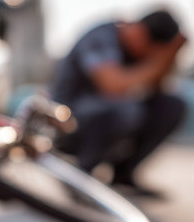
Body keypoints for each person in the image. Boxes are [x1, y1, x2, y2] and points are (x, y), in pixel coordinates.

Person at [51, 10, 187, 190]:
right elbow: (112, 86)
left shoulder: (139, 51)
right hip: (67, 120)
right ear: (139, 32)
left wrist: (169, 56)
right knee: (127, 108)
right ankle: (81, 174)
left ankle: (123, 175)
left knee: (171, 106)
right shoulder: (103, 36)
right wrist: (158, 61)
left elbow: (158, 89)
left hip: (109, 114)